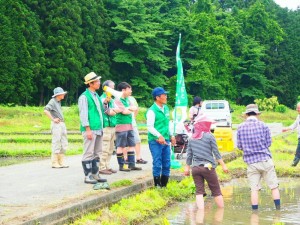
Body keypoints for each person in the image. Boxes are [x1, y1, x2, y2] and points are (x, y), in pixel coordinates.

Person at [237, 104, 281, 210]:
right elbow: (268, 143)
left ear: (246, 114)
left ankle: (255, 214)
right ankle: (278, 211)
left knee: (254, 189)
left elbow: (239, 146)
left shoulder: (240, 127)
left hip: (251, 163)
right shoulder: (263, 125)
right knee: (274, 187)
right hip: (265, 160)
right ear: (257, 114)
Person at [184, 115, 228, 209]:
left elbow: (189, 155)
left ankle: (200, 214)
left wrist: (187, 168)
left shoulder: (191, 138)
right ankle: (221, 212)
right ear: (205, 125)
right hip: (208, 167)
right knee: (216, 191)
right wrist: (223, 165)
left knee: (199, 191)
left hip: (195, 169)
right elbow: (216, 153)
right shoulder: (210, 136)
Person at [78, 72, 107, 184]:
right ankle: (87, 175)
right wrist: (87, 129)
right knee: (88, 152)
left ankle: (95, 174)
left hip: (98, 128)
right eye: (97, 81)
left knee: (97, 152)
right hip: (90, 129)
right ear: (90, 84)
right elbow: (83, 114)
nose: (99, 83)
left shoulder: (96, 96)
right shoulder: (84, 97)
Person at [146, 87, 176, 188]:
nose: (166, 97)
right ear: (157, 97)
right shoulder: (152, 111)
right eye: (164, 95)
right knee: (157, 162)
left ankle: (164, 185)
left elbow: (168, 124)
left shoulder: (166, 108)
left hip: (166, 139)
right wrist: (159, 136)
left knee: (167, 162)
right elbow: (150, 127)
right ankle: (157, 185)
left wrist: (171, 135)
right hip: (155, 141)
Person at [114, 82, 141, 171]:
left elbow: (134, 108)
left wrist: (128, 109)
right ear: (123, 90)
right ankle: (121, 166)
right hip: (121, 126)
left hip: (130, 125)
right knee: (120, 146)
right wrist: (129, 109)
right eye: (129, 89)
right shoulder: (117, 100)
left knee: (131, 145)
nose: (131, 91)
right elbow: (125, 112)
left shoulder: (127, 99)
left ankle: (131, 164)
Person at [44, 87, 69, 168]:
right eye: (62, 94)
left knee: (63, 142)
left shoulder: (58, 102)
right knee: (56, 142)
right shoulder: (52, 101)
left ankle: (61, 161)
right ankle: (55, 162)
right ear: (58, 95)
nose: (64, 95)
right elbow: (46, 110)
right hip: (57, 124)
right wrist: (53, 119)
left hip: (61, 123)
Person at [99, 80, 119, 175]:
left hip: (112, 125)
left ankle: (107, 165)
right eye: (112, 87)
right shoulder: (103, 99)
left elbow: (117, 110)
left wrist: (113, 111)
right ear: (106, 88)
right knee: (105, 147)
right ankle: (102, 167)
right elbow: (108, 112)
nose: (114, 89)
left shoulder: (112, 100)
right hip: (106, 126)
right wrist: (113, 111)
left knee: (111, 148)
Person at [128, 95, 147, 164]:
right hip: (125, 124)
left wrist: (134, 118)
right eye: (129, 89)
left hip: (133, 123)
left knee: (137, 140)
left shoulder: (132, 98)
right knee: (126, 143)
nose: (131, 91)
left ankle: (138, 157)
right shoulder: (119, 98)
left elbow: (136, 109)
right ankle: (126, 159)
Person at [282, 102, 300, 166]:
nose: (297, 109)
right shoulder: (298, 116)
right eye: (297, 108)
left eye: (298, 108)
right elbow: (294, 125)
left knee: (298, 152)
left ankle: (294, 164)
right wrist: (287, 128)